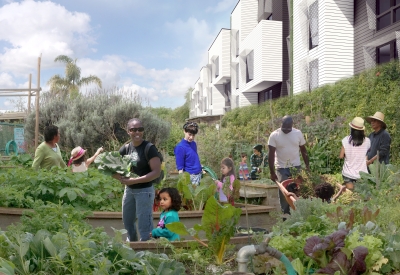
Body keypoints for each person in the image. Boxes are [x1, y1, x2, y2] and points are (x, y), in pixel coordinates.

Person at [114, 118, 161, 242]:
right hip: (129, 191)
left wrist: (134, 181)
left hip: (145, 191)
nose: (137, 132)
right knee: (128, 221)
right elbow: (113, 169)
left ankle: (147, 253)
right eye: (133, 130)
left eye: (140, 129)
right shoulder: (125, 149)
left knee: (144, 224)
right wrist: (120, 178)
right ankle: (132, 251)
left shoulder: (149, 148)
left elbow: (156, 172)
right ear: (128, 131)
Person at [268, 115, 309, 215]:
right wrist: (272, 172)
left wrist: (307, 167)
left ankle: (298, 212)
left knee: (299, 189)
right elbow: (271, 155)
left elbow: (304, 151)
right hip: (281, 168)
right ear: (281, 124)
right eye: (284, 127)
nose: (286, 129)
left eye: (288, 127)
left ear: (292, 125)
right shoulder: (274, 135)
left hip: (296, 167)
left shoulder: (297, 133)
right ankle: (286, 215)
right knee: (284, 192)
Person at [339, 117, 370, 190]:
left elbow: (341, 156)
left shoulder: (345, 140)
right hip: (362, 174)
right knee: (361, 196)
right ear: (362, 130)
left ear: (351, 129)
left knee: (351, 195)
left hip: (348, 173)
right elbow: (366, 155)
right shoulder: (368, 141)